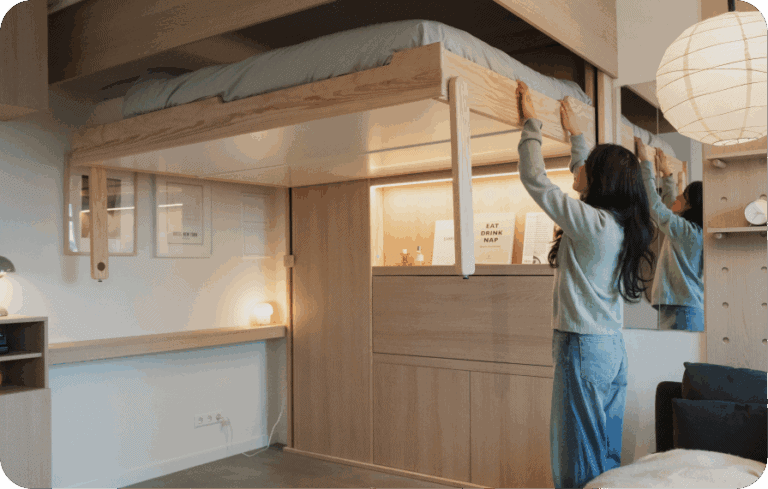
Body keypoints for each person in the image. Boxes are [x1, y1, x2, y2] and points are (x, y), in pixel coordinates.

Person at [516, 82, 657, 489]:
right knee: (604, 455)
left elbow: (535, 179)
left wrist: (531, 123)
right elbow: (585, 174)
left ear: (598, 180)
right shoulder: (617, 224)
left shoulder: (590, 223)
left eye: (586, 166)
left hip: (582, 346)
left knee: (576, 458)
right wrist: (577, 135)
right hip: (610, 348)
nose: (577, 170)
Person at [637, 141, 704, 332]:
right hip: (684, 307)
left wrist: (645, 164)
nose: (678, 197)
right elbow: (669, 207)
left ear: (690, 204)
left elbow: (656, 206)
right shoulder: (693, 231)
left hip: (682, 310)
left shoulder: (686, 230)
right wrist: (667, 175)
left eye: (683, 195)